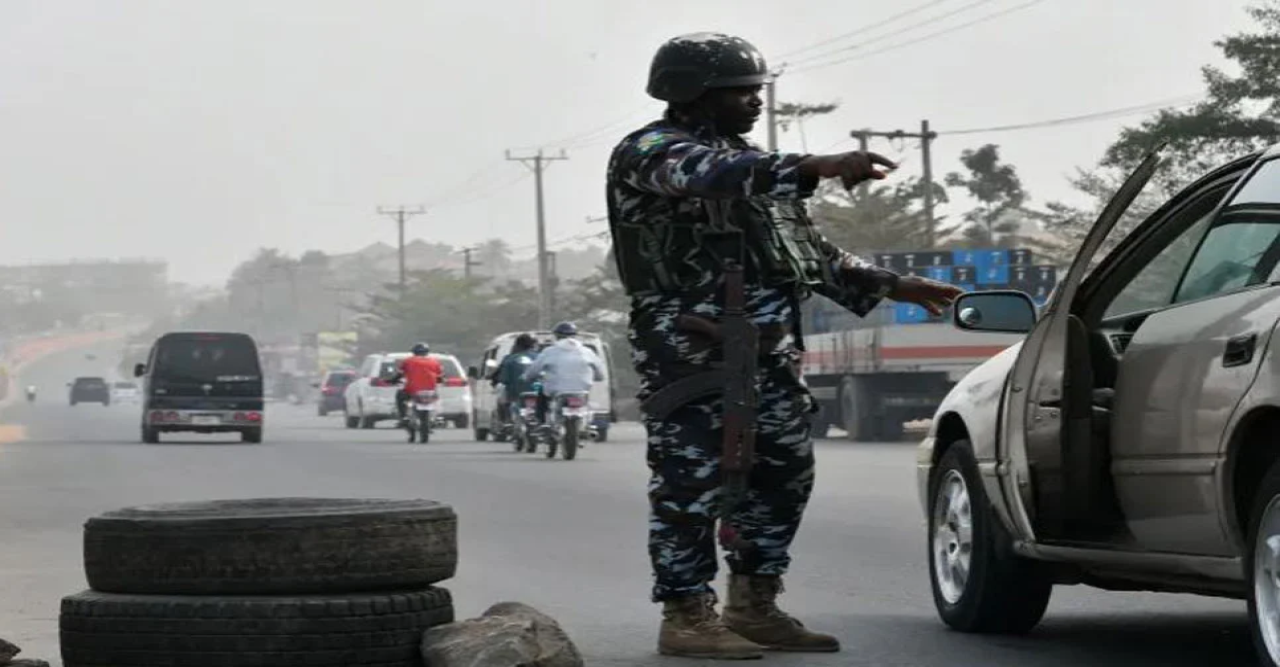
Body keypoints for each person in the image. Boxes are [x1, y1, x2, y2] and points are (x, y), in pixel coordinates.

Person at [607, 32, 964, 660]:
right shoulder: (651, 151)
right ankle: (686, 614)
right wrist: (811, 165)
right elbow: (707, 175)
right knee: (691, 481)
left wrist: (894, 284)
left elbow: (807, 253)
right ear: (692, 94)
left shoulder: (753, 163)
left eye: (755, 90)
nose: (752, 101)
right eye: (737, 92)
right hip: (692, 347)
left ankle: (754, 604)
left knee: (784, 473)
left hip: (768, 349)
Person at [522, 322, 604, 424]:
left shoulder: (549, 352)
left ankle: (541, 423)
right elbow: (600, 375)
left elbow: (533, 371)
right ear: (575, 336)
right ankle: (587, 424)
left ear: (556, 336)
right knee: (586, 404)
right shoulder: (587, 352)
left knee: (541, 395)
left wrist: (528, 377)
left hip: (556, 391)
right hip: (581, 390)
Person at [491, 333, 539, 427]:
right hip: (537, 392)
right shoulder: (540, 357)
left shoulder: (509, 359)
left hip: (516, 394)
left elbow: (503, 379)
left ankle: (506, 421)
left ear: (517, 345)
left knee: (501, 397)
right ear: (533, 345)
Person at [395, 342, 443, 423]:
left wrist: (391, 380)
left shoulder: (408, 361)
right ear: (427, 352)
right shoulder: (435, 362)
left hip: (412, 390)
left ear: (414, 352)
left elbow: (399, 375)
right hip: (430, 391)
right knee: (437, 399)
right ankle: (437, 416)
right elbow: (440, 377)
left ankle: (403, 416)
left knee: (400, 395)